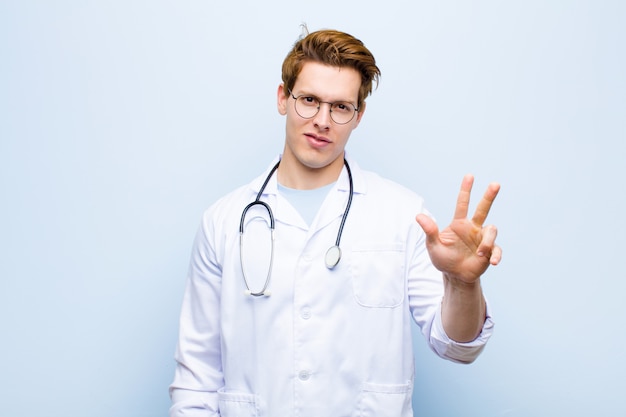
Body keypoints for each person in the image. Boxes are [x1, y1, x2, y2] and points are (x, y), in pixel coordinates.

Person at [169, 27, 501, 417]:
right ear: (283, 98)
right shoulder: (223, 221)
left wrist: (464, 284)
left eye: (341, 107)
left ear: (358, 115)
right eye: (309, 100)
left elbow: (458, 345)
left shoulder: (402, 214)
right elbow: (197, 380)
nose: (322, 120)